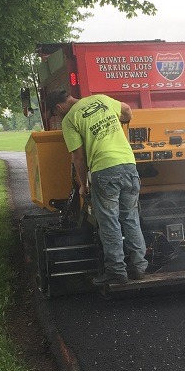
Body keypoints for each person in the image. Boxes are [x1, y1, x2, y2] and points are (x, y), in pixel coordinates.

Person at [59, 91, 149, 285]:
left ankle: (117, 271)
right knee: (130, 218)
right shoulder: (102, 99)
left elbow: (79, 157)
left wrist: (83, 185)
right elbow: (127, 111)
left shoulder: (69, 120)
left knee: (109, 222)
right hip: (129, 165)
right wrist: (122, 120)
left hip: (105, 169)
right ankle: (139, 267)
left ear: (58, 107)